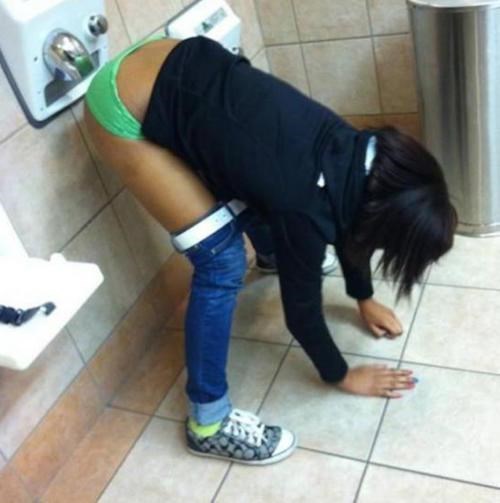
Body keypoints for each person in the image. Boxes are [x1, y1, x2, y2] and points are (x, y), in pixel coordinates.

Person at [84, 35, 457, 466]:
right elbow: (301, 315)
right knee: (222, 260)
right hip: (120, 105)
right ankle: (208, 423)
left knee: (263, 190)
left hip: (170, 60)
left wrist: (363, 297)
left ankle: (273, 256)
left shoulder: (358, 150)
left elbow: (353, 221)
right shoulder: (303, 207)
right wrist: (342, 376)